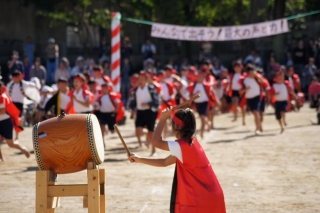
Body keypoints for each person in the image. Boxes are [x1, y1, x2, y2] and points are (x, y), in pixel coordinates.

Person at [128, 108, 226, 213]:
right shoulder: (191, 142)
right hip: (209, 196)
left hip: (201, 199)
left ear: (177, 126)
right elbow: (165, 162)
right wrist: (139, 159)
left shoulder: (181, 146)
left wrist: (162, 119)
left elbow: (155, 142)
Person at [128, 72, 160, 155]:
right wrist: (132, 109)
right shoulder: (135, 90)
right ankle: (146, 136)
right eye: (139, 79)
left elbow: (157, 102)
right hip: (140, 112)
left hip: (150, 112)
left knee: (151, 132)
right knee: (138, 130)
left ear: (146, 80)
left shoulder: (151, 90)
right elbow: (132, 102)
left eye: (142, 79)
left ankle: (153, 150)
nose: (140, 81)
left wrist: (148, 104)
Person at [0, 81, 30, 161]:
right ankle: (1, 158)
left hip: (5, 122)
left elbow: (2, 111)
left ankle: (23, 149)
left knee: (10, 143)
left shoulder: (3, 97)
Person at [7, 70, 39, 139]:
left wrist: (37, 86)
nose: (17, 78)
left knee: (18, 120)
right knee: (10, 120)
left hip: (20, 104)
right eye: (16, 77)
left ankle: (17, 136)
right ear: (13, 78)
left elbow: (31, 85)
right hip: (12, 104)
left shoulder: (23, 84)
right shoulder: (10, 85)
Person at [239, 65, 264, 134]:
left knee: (256, 112)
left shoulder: (256, 78)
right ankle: (260, 125)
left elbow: (263, 82)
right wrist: (245, 89)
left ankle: (257, 128)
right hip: (249, 98)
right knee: (255, 113)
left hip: (257, 97)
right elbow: (240, 91)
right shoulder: (244, 80)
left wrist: (257, 76)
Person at [188, 70, 212, 138]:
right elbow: (190, 96)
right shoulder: (193, 86)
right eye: (198, 76)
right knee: (202, 117)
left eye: (201, 76)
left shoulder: (206, 85)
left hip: (204, 102)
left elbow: (209, 94)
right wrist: (196, 94)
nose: (199, 78)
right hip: (197, 103)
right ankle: (208, 123)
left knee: (202, 117)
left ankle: (202, 132)